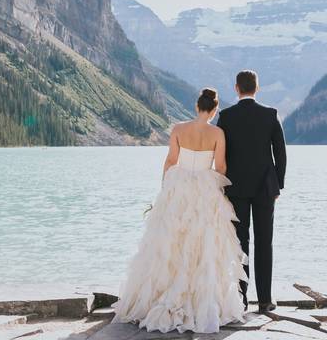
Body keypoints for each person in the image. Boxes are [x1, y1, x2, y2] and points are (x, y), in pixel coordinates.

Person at [113, 88, 247, 333]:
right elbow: (221, 166)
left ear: (197, 106)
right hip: (205, 189)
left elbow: (171, 160)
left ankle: (163, 296)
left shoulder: (178, 129)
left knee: (170, 244)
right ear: (215, 110)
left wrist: (165, 187)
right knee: (204, 244)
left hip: (179, 188)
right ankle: (202, 303)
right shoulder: (217, 132)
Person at [216, 69, 287, 313]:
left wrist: (222, 183)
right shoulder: (270, 115)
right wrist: (279, 184)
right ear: (257, 88)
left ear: (237, 88)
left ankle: (241, 299)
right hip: (266, 188)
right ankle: (265, 301)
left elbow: (221, 154)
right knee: (264, 242)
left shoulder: (226, 116)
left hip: (236, 187)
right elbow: (280, 152)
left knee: (240, 243)